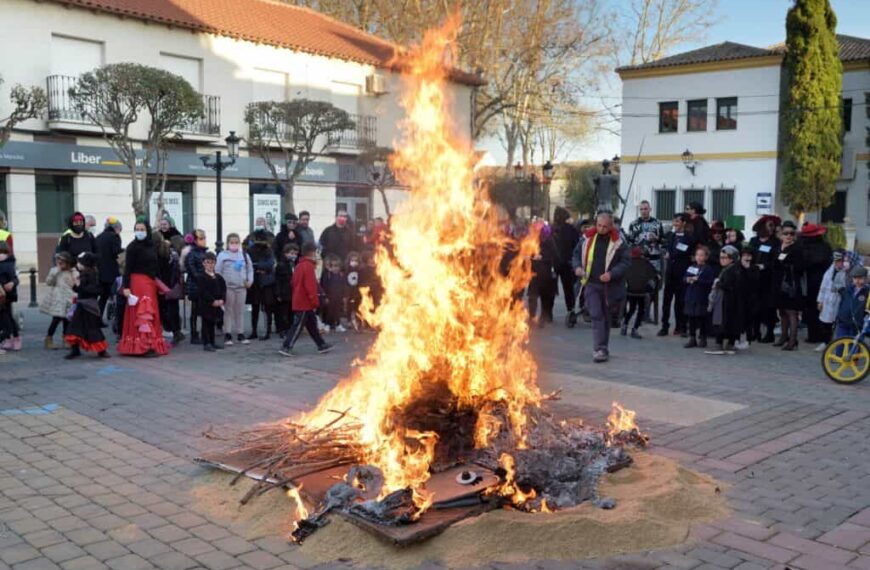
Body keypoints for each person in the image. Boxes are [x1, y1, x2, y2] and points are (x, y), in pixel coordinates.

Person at [571, 212, 630, 363]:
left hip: (610, 286)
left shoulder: (619, 242)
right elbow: (576, 254)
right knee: (596, 315)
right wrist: (577, 267)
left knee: (606, 317)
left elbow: (625, 263)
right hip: (591, 283)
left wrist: (612, 274)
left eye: (605, 226)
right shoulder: (587, 238)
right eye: (599, 225)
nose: (601, 229)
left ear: (611, 226)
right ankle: (599, 348)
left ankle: (603, 347)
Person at [118, 219, 168, 356]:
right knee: (143, 312)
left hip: (150, 283)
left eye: (142, 229)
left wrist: (159, 285)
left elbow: (156, 266)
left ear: (147, 231)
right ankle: (144, 346)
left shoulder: (151, 246)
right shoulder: (132, 247)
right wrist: (126, 287)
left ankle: (151, 343)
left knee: (151, 312)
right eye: (137, 229)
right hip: (137, 282)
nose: (139, 232)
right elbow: (127, 269)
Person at [279, 242, 333, 356]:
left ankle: (321, 344)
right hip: (304, 302)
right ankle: (286, 346)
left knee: (312, 324)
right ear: (312, 252)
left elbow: (293, 282)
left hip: (301, 300)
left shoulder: (299, 265)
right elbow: (310, 286)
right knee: (298, 326)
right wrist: (315, 301)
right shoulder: (308, 266)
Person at [64, 252, 109, 359]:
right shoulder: (84, 273)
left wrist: (79, 286)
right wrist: (75, 285)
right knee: (75, 327)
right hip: (81, 304)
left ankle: (101, 350)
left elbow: (95, 290)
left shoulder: (92, 275)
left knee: (92, 328)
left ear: (86, 263)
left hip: (89, 306)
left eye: (80, 262)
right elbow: (79, 289)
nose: (78, 264)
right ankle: (75, 350)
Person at [659, 213, 697, 337]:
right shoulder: (671, 236)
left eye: (677, 221)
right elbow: (668, 251)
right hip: (670, 273)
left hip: (682, 273)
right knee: (666, 301)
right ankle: (664, 326)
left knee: (680, 301)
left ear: (683, 223)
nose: (675, 224)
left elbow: (689, 255)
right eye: (674, 221)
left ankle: (681, 326)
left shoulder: (689, 238)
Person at [216, 233, 253, 346]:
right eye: (232, 242)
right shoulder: (222, 255)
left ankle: (240, 333)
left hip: (241, 287)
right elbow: (218, 272)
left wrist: (249, 281)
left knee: (240, 311)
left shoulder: (244, 256)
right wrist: (221, 287)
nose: (234, 244)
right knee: (228, 311)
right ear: (227, 243)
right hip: (228, 288)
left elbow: (250, 269)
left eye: (236, 242)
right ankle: (227, 333)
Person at [749, 215, 781, 343]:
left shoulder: (775, 242)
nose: (772, 228)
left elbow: (776, 260)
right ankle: (755, 331)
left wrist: (765, 266)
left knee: (768, 307)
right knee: (754, 306)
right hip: (754, 277)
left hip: (768, 279)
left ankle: (769, 333)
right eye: (769, 225)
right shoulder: (754, 241)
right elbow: (748, 254)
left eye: (773, 226)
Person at [799, 223, 832, 345]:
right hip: (822, 281)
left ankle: (813, 335)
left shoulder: (804, 247)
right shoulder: (825, 246)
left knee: (812, 309)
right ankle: (823, 335)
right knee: (821, 309)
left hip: (810, 282)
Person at [773, 222, 804, 351]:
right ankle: (783, 337)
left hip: (792, 284)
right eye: (786, 233)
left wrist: (785, 263)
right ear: (781, 234)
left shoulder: (797, 248)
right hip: (779, 282)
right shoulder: (778, 246)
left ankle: (793, 340)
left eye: (792, 233)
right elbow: (774, 262)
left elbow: (799, 266)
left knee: (792, 312)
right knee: (782, 311)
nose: (789, 236)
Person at [39, 251, 77, 350]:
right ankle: (49, 339)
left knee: (67, 320)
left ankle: (66, 339)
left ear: (68, 262)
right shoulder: (54, 270)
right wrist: (56, 272)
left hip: (69, 298)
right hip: (58, 298)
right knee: (56, 319)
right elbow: (48, 282)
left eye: (62, 262)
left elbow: (75, 284)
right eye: (58, 262)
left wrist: (74, 273)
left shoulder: (72, 272)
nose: (60, 264)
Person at [153, 231, 184, 345]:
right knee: (173, 309)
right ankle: (177, 332)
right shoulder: (171, 252)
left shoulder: (154, 253)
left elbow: (156, 272)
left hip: (161, 286)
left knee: (163, 310)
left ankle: (168, 331)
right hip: (172, 285)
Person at [710, 245, 743, 352]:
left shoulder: (733, 269)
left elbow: (731, 285)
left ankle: (722, 343)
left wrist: (719, 284)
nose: (722, 260)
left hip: (728, 300)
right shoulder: (728, 269)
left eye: (725, 257)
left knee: (724, 321)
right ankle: (728, 343)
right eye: (721, 257)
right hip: (726, 300)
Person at [621, 246, 658, 339]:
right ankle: (635, 329)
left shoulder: (628, 264)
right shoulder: (646, 263)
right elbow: (654, 275)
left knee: (631, 309)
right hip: (642, 292)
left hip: (630, 291)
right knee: (641, 310)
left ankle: (624, 325)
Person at [247, 229, 277, 340]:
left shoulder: (268, 250)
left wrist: (257, 266)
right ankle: (254, 331)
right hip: (256, 282)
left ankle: (267, 331)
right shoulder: (251, 250)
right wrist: (260, 267)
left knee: (267, 308)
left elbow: (270, 264)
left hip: (266, 283)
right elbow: (249, 264)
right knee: (255, 307)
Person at [683, 245, 715, 349]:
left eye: (701, 255)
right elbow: (684, 277)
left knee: (702, 318)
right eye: (697, 255)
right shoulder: (692, 267)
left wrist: (698, 280)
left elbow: (710, 282)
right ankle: (692, 338)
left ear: (706, 257)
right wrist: (687, 280)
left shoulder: (708, 269)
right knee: (691, 317)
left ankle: (703, 337)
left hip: (702, 296)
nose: (699, 257)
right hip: (691, 295)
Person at [817, 249, 849, 350]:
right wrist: (820, 301)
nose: (837, 263)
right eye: (835, 261)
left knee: (838, 324)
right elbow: (823, 285)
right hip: (828, 300)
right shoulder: (830, 270)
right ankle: (825, 342)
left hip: (840, 301)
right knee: (826, 323)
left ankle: (837, 345)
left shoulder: (847, 272)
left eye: (839, 261)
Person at [528, 222, 558, 327]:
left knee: (545, 296)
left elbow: (555, 255)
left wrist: (543, 257)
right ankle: (532, 316)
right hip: (535, 273)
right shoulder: (532, 240)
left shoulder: (549, 241)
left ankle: (543, 318)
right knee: (532, 296)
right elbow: (528, 252)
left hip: (546, 273)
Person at [196, 252, 227, 352]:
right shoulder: (201, 277)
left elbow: (223, 289)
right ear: (203, 263)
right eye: (207, 262)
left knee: (212, 323)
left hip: (217, 303)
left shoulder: (218, 277)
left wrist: (222, 299)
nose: (210, 265)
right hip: (206, 304)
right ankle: (206, 343)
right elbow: (203, 291)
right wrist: (212, 300)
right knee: (206, 323)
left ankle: (212, 342)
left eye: (212, 262)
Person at [552, 207, 580, 314]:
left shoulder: (551, 229)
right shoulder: (571, 229)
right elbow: (576, 245)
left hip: (554, 263)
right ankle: (571, 310)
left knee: (551, 289)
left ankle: (547, 312)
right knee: (568, 289)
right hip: (567, 263)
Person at [95, 216, 123, 317]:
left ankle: (97, 318)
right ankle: (116, 318)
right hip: (111, 272)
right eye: (120, 229)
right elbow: (116, 253)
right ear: (116, 228)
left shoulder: (99, 237)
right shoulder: (115, 237)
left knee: (103, 297)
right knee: (115, 295)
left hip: (100, 271)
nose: (120, 232)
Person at [184, 229, 209, 344]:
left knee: (205, 310)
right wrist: (201, 279)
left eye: (204, 238)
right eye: (201, 238)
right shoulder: (191, 254)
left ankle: (205, 333)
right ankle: (194, 334)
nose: (203, 240)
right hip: (195, 286)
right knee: (194, 311)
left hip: (204, 285)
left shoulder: (206, 253)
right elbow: (191, 270)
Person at [628, 200, 664, 272]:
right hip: (638, 259)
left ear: (650, 209)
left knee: (654, 280)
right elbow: (630, 242)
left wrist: (656, 238)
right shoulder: (633, 224)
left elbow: (663, 240)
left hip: (654, 259)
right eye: (641, 209)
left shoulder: (658, 223)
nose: (643, 211)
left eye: (645, 209)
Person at [835, 265, 869, 339]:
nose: (857, 280)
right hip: (843, 323)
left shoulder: (867, 292)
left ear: (866, 279)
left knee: (854, 347)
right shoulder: (847, 290)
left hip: (857, 326)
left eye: (860, 278)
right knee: (840, 345)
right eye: (855, 278)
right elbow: (841, 303)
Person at [274, 244, 299, 337]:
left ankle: (289, 328)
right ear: (286, 253)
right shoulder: (281, 265)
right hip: (284, 292)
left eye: (295, 253)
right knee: (283, 312)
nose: (293, 255)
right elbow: (278, 280)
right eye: (291, 253)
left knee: (291, 312)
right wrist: (278, 293)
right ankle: (282, 329)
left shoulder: (295, 265)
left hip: (293, 292)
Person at [738, 247, 760, 348]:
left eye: (749, 256)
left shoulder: (754, 268)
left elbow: (755, 281)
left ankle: (749, 337)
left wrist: (748, 269)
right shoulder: (737, 267)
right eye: (744, 255)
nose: (747, 258)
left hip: (751, 296)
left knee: (749, 318)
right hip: (740, 295)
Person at [0, 241, 20, 354]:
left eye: (3, 253)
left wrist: (12, 283)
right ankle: (8, 339)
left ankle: (16, 338)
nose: (1, 255)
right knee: (5, 319)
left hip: (7, 296)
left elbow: (15, 279)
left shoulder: (9, 264)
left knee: (9, 318)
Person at [320, 255, 347, 332]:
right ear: (330, 267)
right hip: (330, 297)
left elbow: (344, 285)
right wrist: (325, 297)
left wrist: (344, 295)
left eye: (337, 266)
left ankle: (338, 324)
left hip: (338, 297)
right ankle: (327, 324)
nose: (335, 268)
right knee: (329, 311)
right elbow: (324, 286)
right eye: (333, 266)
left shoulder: (341, 275)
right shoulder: (327, 275)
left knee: (337, 311)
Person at [344, 250, 362, 331]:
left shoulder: (360, 270)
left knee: (357, 307)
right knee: (349, 307)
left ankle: (358, 322)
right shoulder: (347, 270)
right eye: (352, 260)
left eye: (356, 260)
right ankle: (349, 321)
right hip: (349, 291)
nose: (354, 262)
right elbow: (344, 281)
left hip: (357, 291)